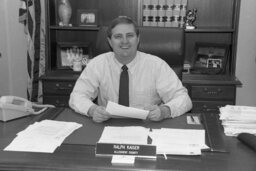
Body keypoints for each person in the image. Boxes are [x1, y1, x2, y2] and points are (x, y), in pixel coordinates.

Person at [69, 16, 192, 123]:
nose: (124, 41)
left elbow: (183, 98)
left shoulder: (156, 65)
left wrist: (165, 111)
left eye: (130, 35)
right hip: (108, 124)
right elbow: (77, 96)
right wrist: (92, 110)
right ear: (109, 42)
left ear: (138, 39)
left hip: (147, 125)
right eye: (118, 36)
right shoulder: (97, 64)